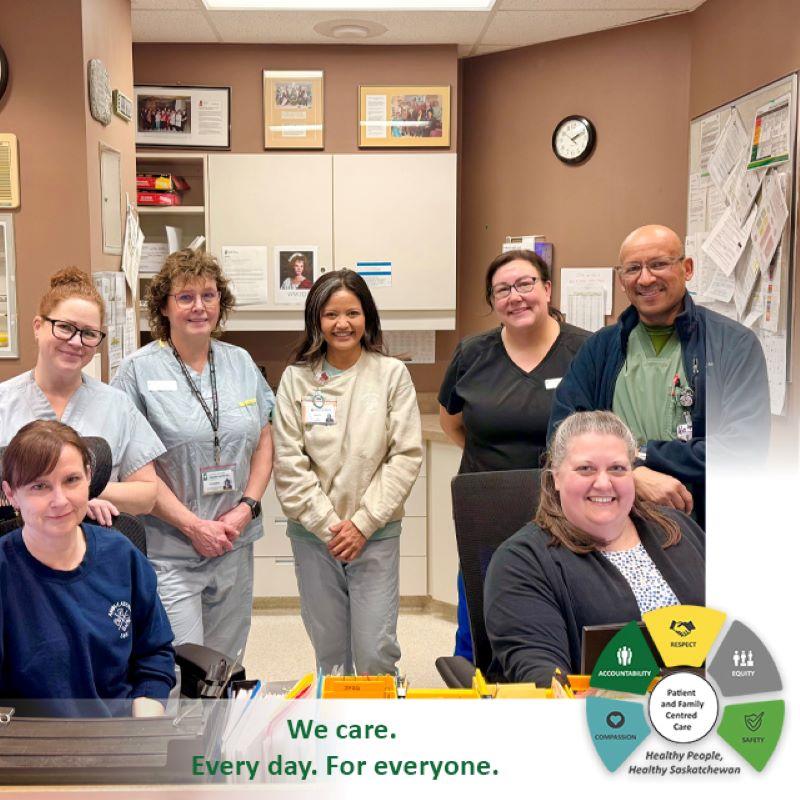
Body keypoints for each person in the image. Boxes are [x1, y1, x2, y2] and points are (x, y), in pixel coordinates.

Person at [548, 224, 771, 527]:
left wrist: (645, 456)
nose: (645, 278)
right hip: (612, 522)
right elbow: (562, 437)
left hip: (706, 525)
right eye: (633, 268)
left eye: (658, 264)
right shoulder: (600, 349)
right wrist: (631, 475)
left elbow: (746, 448)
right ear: (621, 279)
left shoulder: (733, 344)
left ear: (687, 268)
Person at [112, 249, 274, 659]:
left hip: (234, 541)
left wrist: (246, 508)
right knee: (180, 663)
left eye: (209, 295)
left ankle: (221, 727)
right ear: (164, 307)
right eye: (185, 297)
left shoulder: (240, 363)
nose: (199, 306)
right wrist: (193, 526)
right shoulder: (137, 371)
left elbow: (264, 438)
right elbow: (134, 466)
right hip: (171, 549)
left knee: (225, 664)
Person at [438, 249, 590, 659]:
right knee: (480, 619)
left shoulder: (586, 351)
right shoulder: (472, 353)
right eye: (502, 289)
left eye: (525, 284)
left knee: (560, 619)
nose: (515, 296)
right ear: (493, 301)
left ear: (547, 289)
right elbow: (452, 422)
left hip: (566, 510)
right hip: (486, 507)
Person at [272, 269, 423, 675]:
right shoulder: (295, 379)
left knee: (376, 649)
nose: (342, 324)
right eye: (331, 314)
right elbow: (288, 462)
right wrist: (330, 527)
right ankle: (337, 733)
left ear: (367, 317)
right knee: (331, 653)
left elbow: (405, 456)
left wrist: (362, 524)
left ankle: (378, 735)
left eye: (352, 312)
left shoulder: (391, 375)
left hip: (375, 533)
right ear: (316, 320)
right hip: (313, 536)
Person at [484, 411, 705, 687]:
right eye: (585, 469)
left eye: (617, 468)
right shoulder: (521, 562)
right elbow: (545, 680)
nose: (603, 482)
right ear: (556, 476)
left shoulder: (678, 528)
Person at [0, 420, 175, 717]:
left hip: (116, 735)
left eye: (71, 480)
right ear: (11, 494)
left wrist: (144, 722)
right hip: (25, 742)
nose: (60, 500)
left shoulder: (121, 556)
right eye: (39, 486)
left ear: (89, 479)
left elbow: (153, 652)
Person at [0, 268, 164, 526]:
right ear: (38, 326)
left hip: (96, 555)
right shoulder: (4, 403)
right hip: (15, 555)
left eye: (88, 333)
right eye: (64, 327)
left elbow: (146, 494)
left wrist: (83, 493)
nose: (76, 342)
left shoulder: (116, 405)